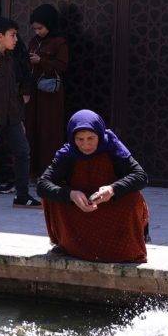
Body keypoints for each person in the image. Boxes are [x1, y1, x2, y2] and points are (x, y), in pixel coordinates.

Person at [38, 110, 150, 263]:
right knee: (51, 197)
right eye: (80, 139)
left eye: (91, 138)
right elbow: (42, 185)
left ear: (99, 134)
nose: (86, 144)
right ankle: (67, 244)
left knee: (133, 197)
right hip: (78, 209)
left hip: (110, 206)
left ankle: (126, 245)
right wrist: (70, 194)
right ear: (73, 138)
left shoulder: (113, 147)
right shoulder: (67, 153)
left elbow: (140, 176)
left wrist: (112, 189)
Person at [0, 17, 41, 208]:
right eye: (12, 35)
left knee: (23, 152)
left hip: (11, 117)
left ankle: (22, 195)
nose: (16, 39)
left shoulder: (10, 58)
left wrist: (19, 120)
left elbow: (12, 92)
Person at [26, 3, 69, 176]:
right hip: (34, 94)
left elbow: (62, 65)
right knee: (32, 129)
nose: (38, 32)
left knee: (49, 131)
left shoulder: (60, 42)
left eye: (41, 28)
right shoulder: (34, 42)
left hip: (50, 96)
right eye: (35, 29)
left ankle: (49, 172)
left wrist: (41, 61)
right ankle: (32, 171)